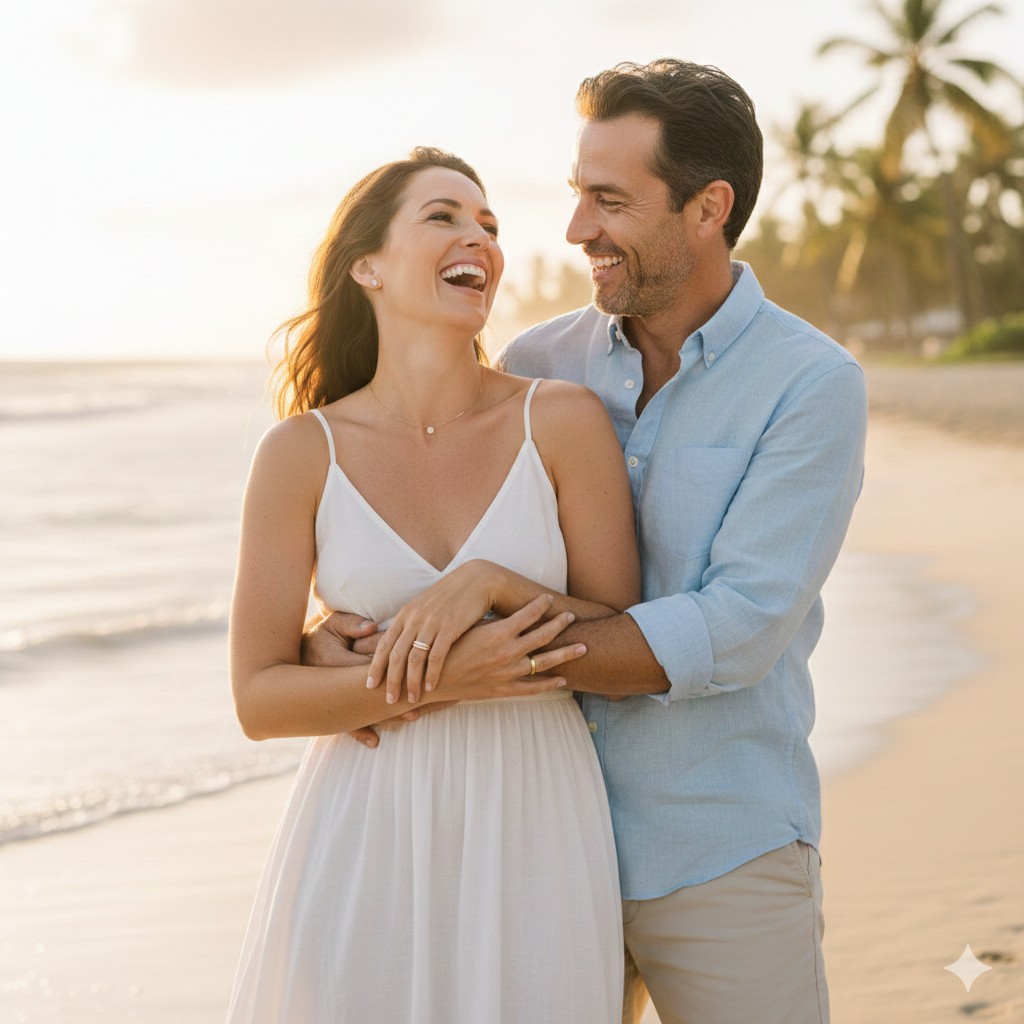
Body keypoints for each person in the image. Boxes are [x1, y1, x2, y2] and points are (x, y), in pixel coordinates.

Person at [317, 60, 868, 1024]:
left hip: (719, 848)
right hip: (531, 846)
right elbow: (431, 513)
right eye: (577, 196)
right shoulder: (536, 365)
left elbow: (736, 629)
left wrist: (465, 654)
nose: (576, 231)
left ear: (709, 208)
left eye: (609, 202)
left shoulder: (810, 385)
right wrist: (349, 632)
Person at [227, 146, 640, 1023]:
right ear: (365, 265)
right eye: (444, 217)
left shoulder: (560, 420)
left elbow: (620, 626)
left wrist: (488, 584)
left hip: (533, 811)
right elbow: (259, 698)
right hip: (364, 821)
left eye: (490, 224)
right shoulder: (301, 453)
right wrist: (446, 677)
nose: (480, 240)